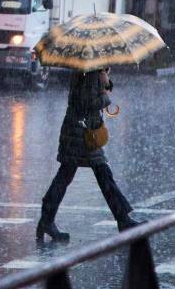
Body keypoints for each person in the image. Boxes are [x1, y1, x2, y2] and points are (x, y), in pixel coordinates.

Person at [36, 67, 142, 242]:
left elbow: (88, 95)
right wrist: (105, 97)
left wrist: (106, 81)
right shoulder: (91, 71)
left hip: (79, 130)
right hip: (82, 133)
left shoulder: (90, 69)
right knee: (98, 174)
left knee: (71, 175)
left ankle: (46, 220)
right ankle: (123, 220)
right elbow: (86, 103)